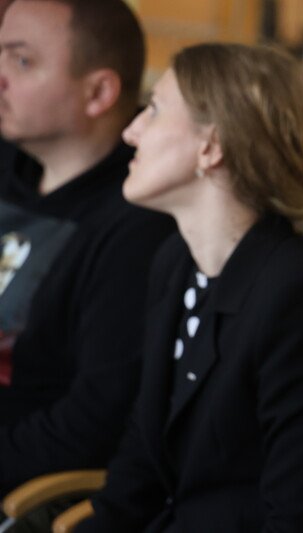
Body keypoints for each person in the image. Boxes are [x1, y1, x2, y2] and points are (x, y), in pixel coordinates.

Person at [76, 42, 303, 532]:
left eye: (153, 110)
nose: (131, 130)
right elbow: (142, 455)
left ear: (212, 146)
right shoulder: (176, 262)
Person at [0, 0, 173, 499]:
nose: (1, 76)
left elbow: (91, 425)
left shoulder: (138, 226)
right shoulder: (10, 161)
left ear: (98, 92)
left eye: (22, 60)